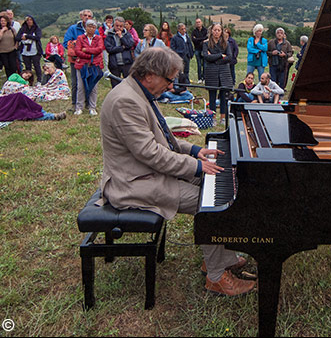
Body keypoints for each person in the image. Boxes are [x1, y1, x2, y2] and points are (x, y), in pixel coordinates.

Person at [98, 47, 254, 296]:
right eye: (169, 79)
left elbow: (163, 140)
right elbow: (151, 153)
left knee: (218, 185)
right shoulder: (125, 101)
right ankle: (215, 276)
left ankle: (219, 259)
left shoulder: (139, 92)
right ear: (150, 75)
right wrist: (196, 166)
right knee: (213, 205)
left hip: (149, 172)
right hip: (133, 183)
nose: (171, 86)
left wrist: (193, 150)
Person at [64, 9, 97, 112]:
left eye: (89, 16)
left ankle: (88, 104)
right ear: (81, 16)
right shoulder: (73, 28)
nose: (87, 17)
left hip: (90, 61)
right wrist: (78, 44)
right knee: (76, 83)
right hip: (76, 60)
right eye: (85, 15)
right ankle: (75, 104)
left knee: (89, 82)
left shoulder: (94, 30)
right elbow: (66, 43)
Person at [202, 23, 234, 120]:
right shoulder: (206, 43)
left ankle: (223, 117)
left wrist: (214, 58)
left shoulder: (226, 43)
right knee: (212, 95)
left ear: (221, 32)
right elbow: (206, 57)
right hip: (211, 72)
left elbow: (229, 57)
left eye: (218, 30)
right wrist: (220, 55)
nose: (216, 32)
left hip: (224, 72)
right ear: (211, 31)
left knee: (223, 96)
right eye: (215, 30)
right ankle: (213, 117)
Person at [74, 19, 105, 116]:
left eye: (93, 27)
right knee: (80, 87)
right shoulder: (80, 38)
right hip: (82, 65)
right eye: (89, 26)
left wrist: (86, 50)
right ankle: (79, 107)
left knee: (94, 87)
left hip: (95, 66)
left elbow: (99, 49)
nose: (91, 28)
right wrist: (91, 55)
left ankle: (92, 107)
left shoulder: (98, 38)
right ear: (86, 27)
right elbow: (78, 51)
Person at [104, 17, 135, 87]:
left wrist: (121, 37)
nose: (118, 28)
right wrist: (122, 48)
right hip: (114, 64)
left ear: (123, 26)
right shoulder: (109, 35)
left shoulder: (127, 34)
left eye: (121, 26)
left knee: (129, 85)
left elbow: (129, 45)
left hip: (126, 63)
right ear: (113, 25)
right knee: (115, 85)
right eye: (117, 26)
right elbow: (109, 49)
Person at [16, 15, 44, 84]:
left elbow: (38, 37)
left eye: (30, 20)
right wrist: (24, 37)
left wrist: (27, 36)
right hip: (25, 50)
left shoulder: (36, 28)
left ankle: (39, 80)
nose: (29, 21)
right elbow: (17, 37)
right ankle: (29, 80)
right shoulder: (23, 28)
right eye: (27, 20)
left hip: (35, 50)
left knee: (36, 65)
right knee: (27, 67)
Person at [0, 14, 18, 79]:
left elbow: (16, 38)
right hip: (2, 51)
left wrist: (16, 46)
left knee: (13, 66)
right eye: (1, 21)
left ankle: (14, 78)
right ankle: (9, 79)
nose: (3, 22)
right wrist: (2, 31)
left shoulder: (12, 29)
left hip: (12, 50)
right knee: (7, 66)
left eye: (4, 21)